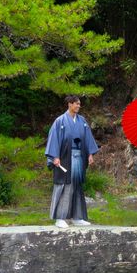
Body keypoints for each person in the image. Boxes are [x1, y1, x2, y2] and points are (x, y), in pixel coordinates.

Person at [46, 95, 98, 227]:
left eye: (79, 104)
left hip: (79, 156)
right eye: (77, 104)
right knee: (65, 185)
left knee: (77, 186)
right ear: (69, 104)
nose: (79, 106)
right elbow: (54, 139)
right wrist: (55, 156)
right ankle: (60, 217)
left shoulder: (82, 121)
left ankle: (77, 217)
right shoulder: (60, 121)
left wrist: (90, 154)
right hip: (64, 157)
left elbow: (88, 139)